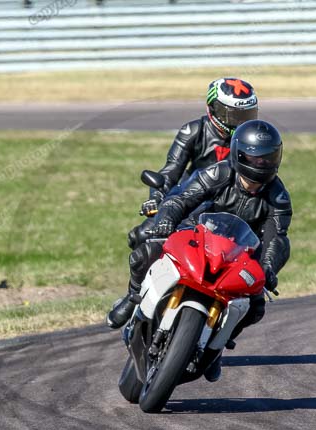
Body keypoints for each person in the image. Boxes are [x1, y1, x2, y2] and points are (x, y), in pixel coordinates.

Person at [107, 120, 293, 381]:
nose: (260, 165)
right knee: (144, 254)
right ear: (238, 153)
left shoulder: (279, 197)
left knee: (255, 306)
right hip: (194, 235)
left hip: (235, 256)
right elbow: (181, 197)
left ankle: (216, 348)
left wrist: (268, 267)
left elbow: (277, 238)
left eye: (267, 158)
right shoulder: (218, 173)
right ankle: (134, 300)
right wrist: (165, 220)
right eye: (254, 158)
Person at [129, 77, 259, 248]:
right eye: (234, 116)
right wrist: (157, 197)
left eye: (246, 116)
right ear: (213, 109)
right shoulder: (193, 131)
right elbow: (171, 170)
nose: (241, 123)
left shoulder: (252, 139)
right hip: (191, 199)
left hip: (230, 206)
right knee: (140, 236)